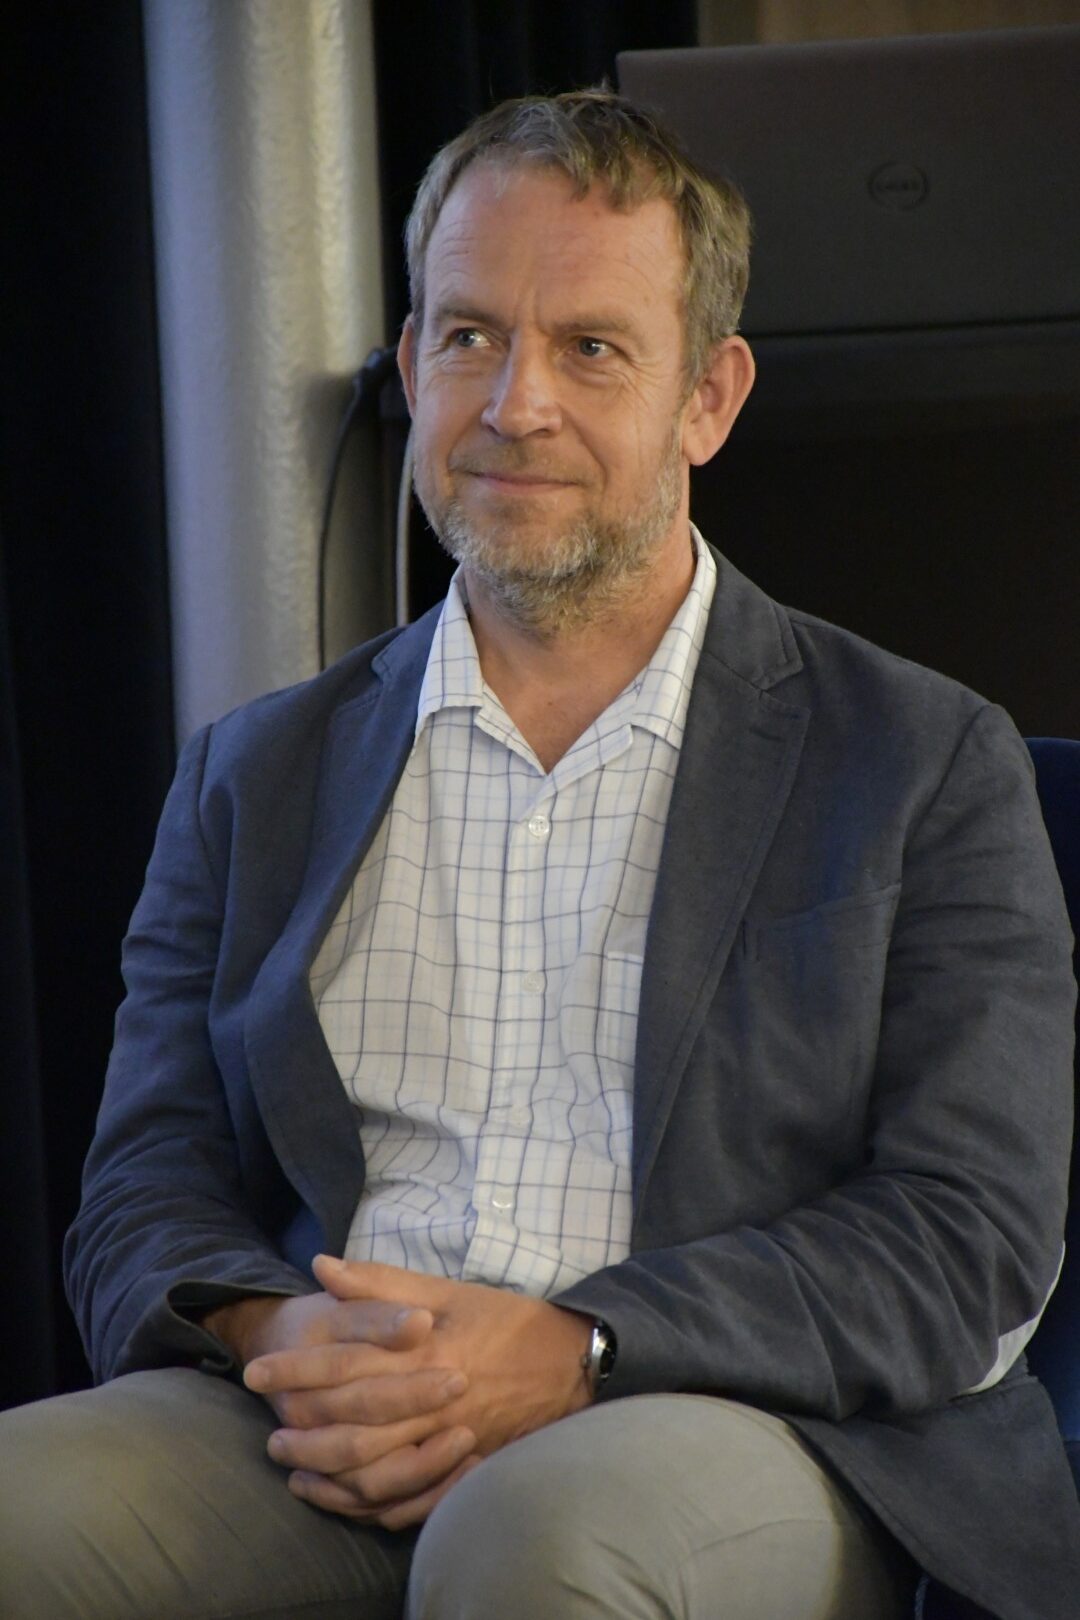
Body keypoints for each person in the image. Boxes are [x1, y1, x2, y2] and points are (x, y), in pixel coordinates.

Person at [1, 89, 1077, 1620]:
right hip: (323, 1412)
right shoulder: (254, 773)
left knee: (531, 1546)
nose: (516, 404)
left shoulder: (925, 760)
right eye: (468, 337)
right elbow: (142, 1184)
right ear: (409, 365)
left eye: (591, 348)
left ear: (708, 398)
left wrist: (577, 1347)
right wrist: (275, 1335)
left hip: (747, 1421)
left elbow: (967, 1237)